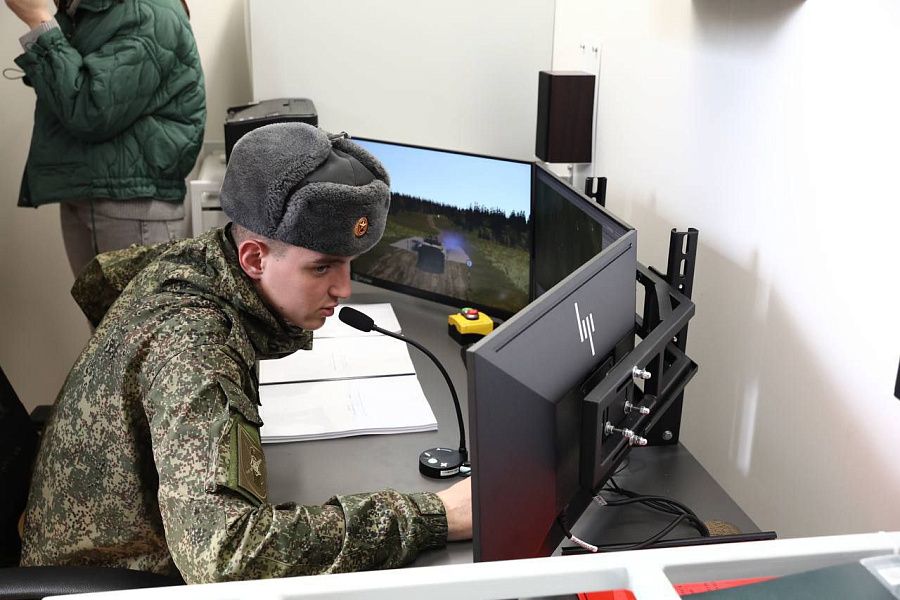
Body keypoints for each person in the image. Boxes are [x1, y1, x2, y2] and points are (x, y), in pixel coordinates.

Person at [19, 123, 472, 583]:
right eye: (322, 267)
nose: (344, 289)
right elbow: (226, 556)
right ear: (254, 259)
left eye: (349, 264)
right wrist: (433, 516)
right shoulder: (193, 348)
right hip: (115, 579)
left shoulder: (202, 261)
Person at [5, 0, 206, 277]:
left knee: (138, 308)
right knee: (99, 308)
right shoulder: (89, 9)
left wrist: (39, 21)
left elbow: (92, 110)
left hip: (131, 202)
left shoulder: (148, 11)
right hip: (90, 190)